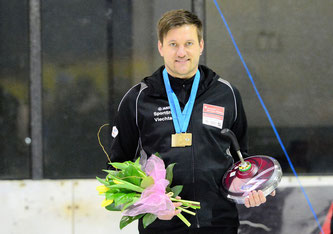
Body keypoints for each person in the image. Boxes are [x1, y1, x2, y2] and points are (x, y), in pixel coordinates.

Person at [109, 9, 275, 234]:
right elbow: (117, 171)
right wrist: (150, 206)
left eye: (188, 43)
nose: (181, 52)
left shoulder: (226, 94)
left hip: (220, 224)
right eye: (173, 44)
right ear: (160, 47)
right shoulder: (138, 99)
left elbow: (241, 159)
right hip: (162, 228)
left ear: (201, 45)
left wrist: (254, 187)